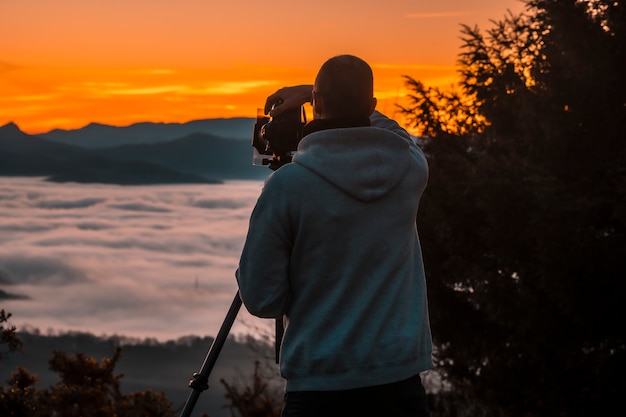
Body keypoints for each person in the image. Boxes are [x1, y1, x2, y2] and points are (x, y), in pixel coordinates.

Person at [236, 54, 432, 417]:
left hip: (318, 388)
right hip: (400, 383)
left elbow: (262, 300)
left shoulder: (287, 187)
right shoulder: (409, 167)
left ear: (318, 103)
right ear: (372, 105)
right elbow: (397, 134)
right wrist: (314, 94)